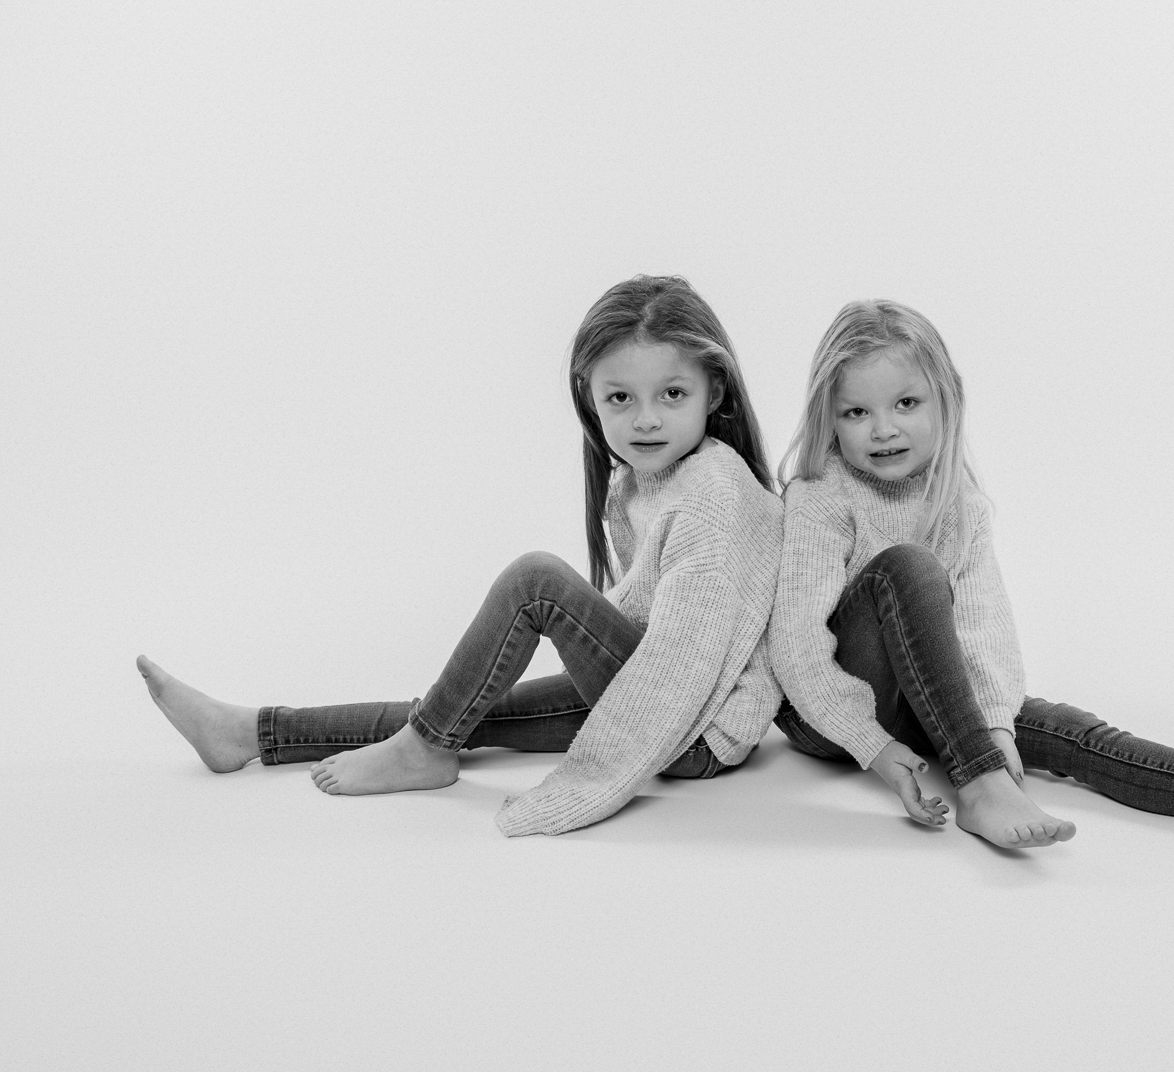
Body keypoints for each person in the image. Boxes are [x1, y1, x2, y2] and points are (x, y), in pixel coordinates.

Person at [138, 275, 784, 836]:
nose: (645, 419)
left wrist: (589, 782)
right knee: (457, 708)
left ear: (714, 391)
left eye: (672, 394)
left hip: (695, 728)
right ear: (588, 395)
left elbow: (684, 664)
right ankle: (251, 733)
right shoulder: (645, 479)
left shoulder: (712, 492)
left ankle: (421, 750)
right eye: (621, 397)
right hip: (654, 688)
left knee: (535, 581)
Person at [769, 299, 1174, 850]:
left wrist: (996, 723)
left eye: (906, 403)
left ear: (945, 399)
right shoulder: (823, 494)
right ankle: (980, 786)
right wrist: (874, 745)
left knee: (1075, 733)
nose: (883, 428)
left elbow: (984, 628)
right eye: (857, 411)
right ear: (830, 418)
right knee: (907, 567)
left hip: (925, 699)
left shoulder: (958, 501)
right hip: (826, 713)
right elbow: (795, 648)